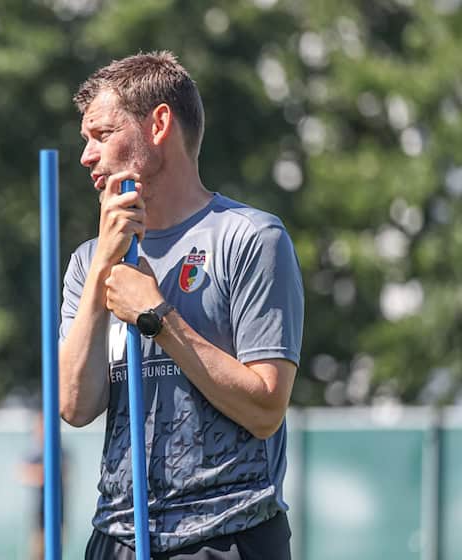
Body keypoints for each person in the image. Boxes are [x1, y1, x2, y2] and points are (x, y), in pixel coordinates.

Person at [58, 52, 304, 559]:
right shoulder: (87, 261)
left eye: (102, 135)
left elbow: (265, 409)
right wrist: (104, 268)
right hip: (117, 538)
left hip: (225, 535)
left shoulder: (252, 237)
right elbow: (74, 406)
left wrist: (156, 317)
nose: (86, 154)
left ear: (160, 124)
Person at [18, 410, 66, 560]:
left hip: (59, 510)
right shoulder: (35, 452)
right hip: (40, 511)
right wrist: (42, 474)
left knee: (56, 548)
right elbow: (23, 473)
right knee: (38, 550)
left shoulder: (60, 451)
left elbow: (65, 474)